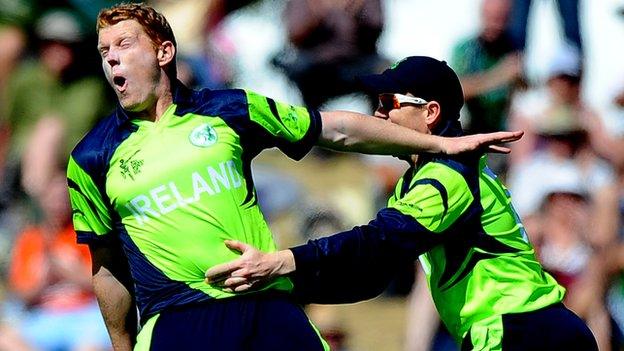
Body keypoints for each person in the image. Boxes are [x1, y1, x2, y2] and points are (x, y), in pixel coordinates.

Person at [68, 4, 522, 350]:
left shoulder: (231, 109)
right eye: (105, 51)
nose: (112, 60)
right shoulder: (91, 156)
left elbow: (336, 129)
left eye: (124, 45)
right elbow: (106, 267)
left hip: (266, 306)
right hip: (177, 319)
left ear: (164, 51)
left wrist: (439, 144)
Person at [205, 56, 598, 350]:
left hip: (520, 332)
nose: (377, 114)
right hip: (524, 331)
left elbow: (381, 243)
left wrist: (283, 262)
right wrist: (286, 284)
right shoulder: (423, 176)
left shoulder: (447, 174)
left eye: (389, 102)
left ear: (430, 112)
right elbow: (371, 273)